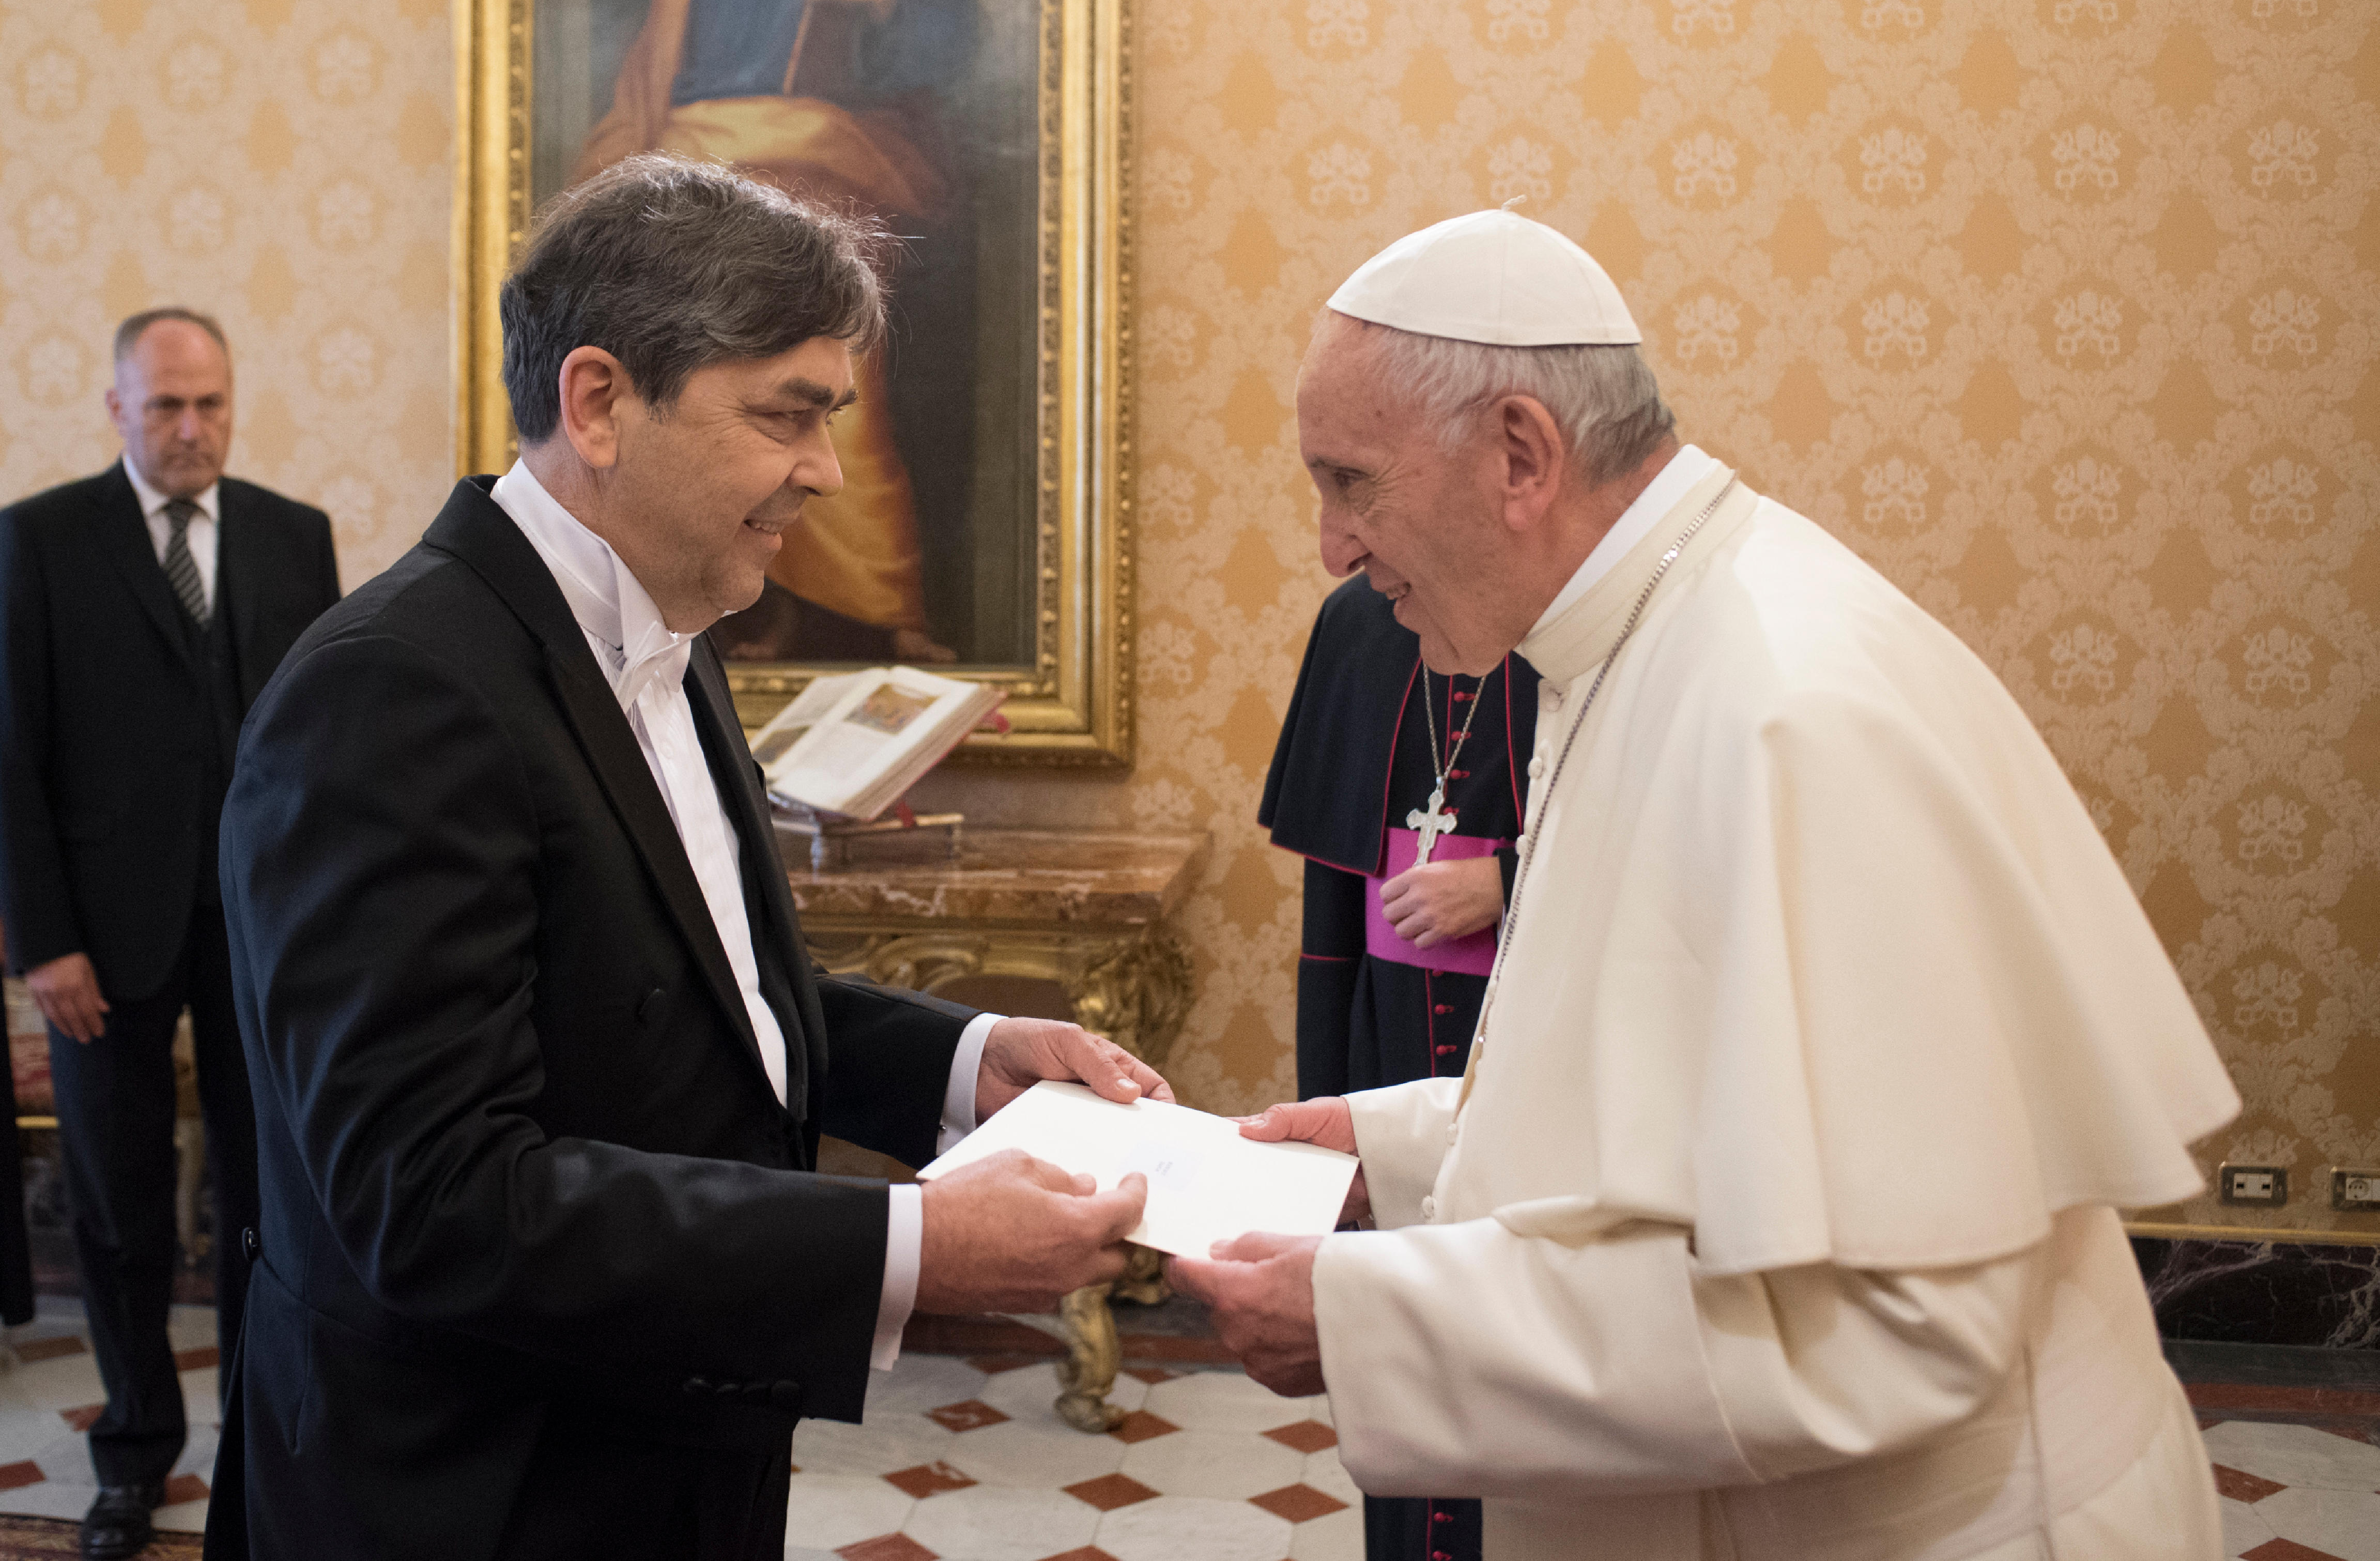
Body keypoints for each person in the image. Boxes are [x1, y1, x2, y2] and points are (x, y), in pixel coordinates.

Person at [1172, 210, 2241, 1560]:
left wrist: (1367, 1319)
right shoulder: (1634, 637)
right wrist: (1389, 1150)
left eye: (1350, 482)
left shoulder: (1786, 707)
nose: (1331, 545)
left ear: (1519, 454)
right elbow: (1691, 1092)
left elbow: (1888, 1318)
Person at [203, 154, 1159, 1561]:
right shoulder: (392, 688)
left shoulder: (676, 630)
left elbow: (701, 1003)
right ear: (599, 401)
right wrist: (909, 1243)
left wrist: (964, 1062)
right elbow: (433, 1198)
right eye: (786, 414)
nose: (826, 471)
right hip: (476, 1490)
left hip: (671, 1445)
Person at [0, 309, 340, 1561]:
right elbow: (10, 754)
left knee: (272, 1202)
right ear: (118, 409)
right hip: (99, 945)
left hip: (263, 936)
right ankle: (133, 1452)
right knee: (120, 1207)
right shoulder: (38, 538)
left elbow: (322, 740)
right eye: (165, 406)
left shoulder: (295, 534)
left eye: (210, 404)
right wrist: (44, 942)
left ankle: (261, 1441)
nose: (192, 428)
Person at [576, 0, 979, 661]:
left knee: (835, 410)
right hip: (704, 151)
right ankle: (734, 608)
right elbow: (664, 56)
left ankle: (873, 608)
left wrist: (879, 1)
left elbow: (948, 43)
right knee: (703, 402)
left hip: (827, 155)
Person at [1260, 580, 1540, 1561]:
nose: (1341, 545)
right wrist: (1326, 1104)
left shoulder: (1571, 612)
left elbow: (1655, 839)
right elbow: (1331, 910)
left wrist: (1507, 879)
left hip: (1536, 1027)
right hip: (1388, 1036)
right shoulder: (1356, 620)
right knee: (1403, 1339)